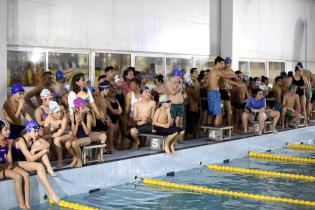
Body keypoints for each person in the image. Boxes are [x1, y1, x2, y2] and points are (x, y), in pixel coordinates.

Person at [11, 120, 59, 204]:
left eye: (37, 131)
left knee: (38, 144)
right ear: (28, 131)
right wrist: (43, 151)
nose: (37, 133)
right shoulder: (20, 141)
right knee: (40, 165)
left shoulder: (33, 138)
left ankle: (49, 168)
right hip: (17, 164)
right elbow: (32, 158)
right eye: (35, 131)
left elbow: (47, 144)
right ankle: (51, 193)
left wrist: (35, 149)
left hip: (27, 162)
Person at [0, 120, 31, 209]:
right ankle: (22, 206)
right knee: (18, 177)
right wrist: (5, 165)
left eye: (9, 129)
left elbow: (10, 161)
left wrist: (6, 165)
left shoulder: (8, 143)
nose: (9, 131)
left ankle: (27, 204)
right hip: (1, 169)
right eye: (6, 129)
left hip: (5, 167)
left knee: (25, 175)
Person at [207, 57, 237, 127]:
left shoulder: (212, 71)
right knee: (219, 113)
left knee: (214, 113)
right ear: (217, 63)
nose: (223, 65)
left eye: (224, 63)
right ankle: (215, 132)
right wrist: (235, 75)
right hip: (215, 93)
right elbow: (225, 76)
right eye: (222, 63)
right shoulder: (217, 71)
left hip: (213, 93)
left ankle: (209, 132)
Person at [44, 101, 73, 168]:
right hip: (56, 135)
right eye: (57, 112)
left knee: (56, 140)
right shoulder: (48, 118)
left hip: (69, 134)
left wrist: (47, 135)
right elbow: (46, 132)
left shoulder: (64, 119)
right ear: (51, 113)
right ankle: (46, 162)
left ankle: (59, 161)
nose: (59, 114)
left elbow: (60, 133)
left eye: (60, 111)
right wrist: (53, 127)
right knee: (48, 140)